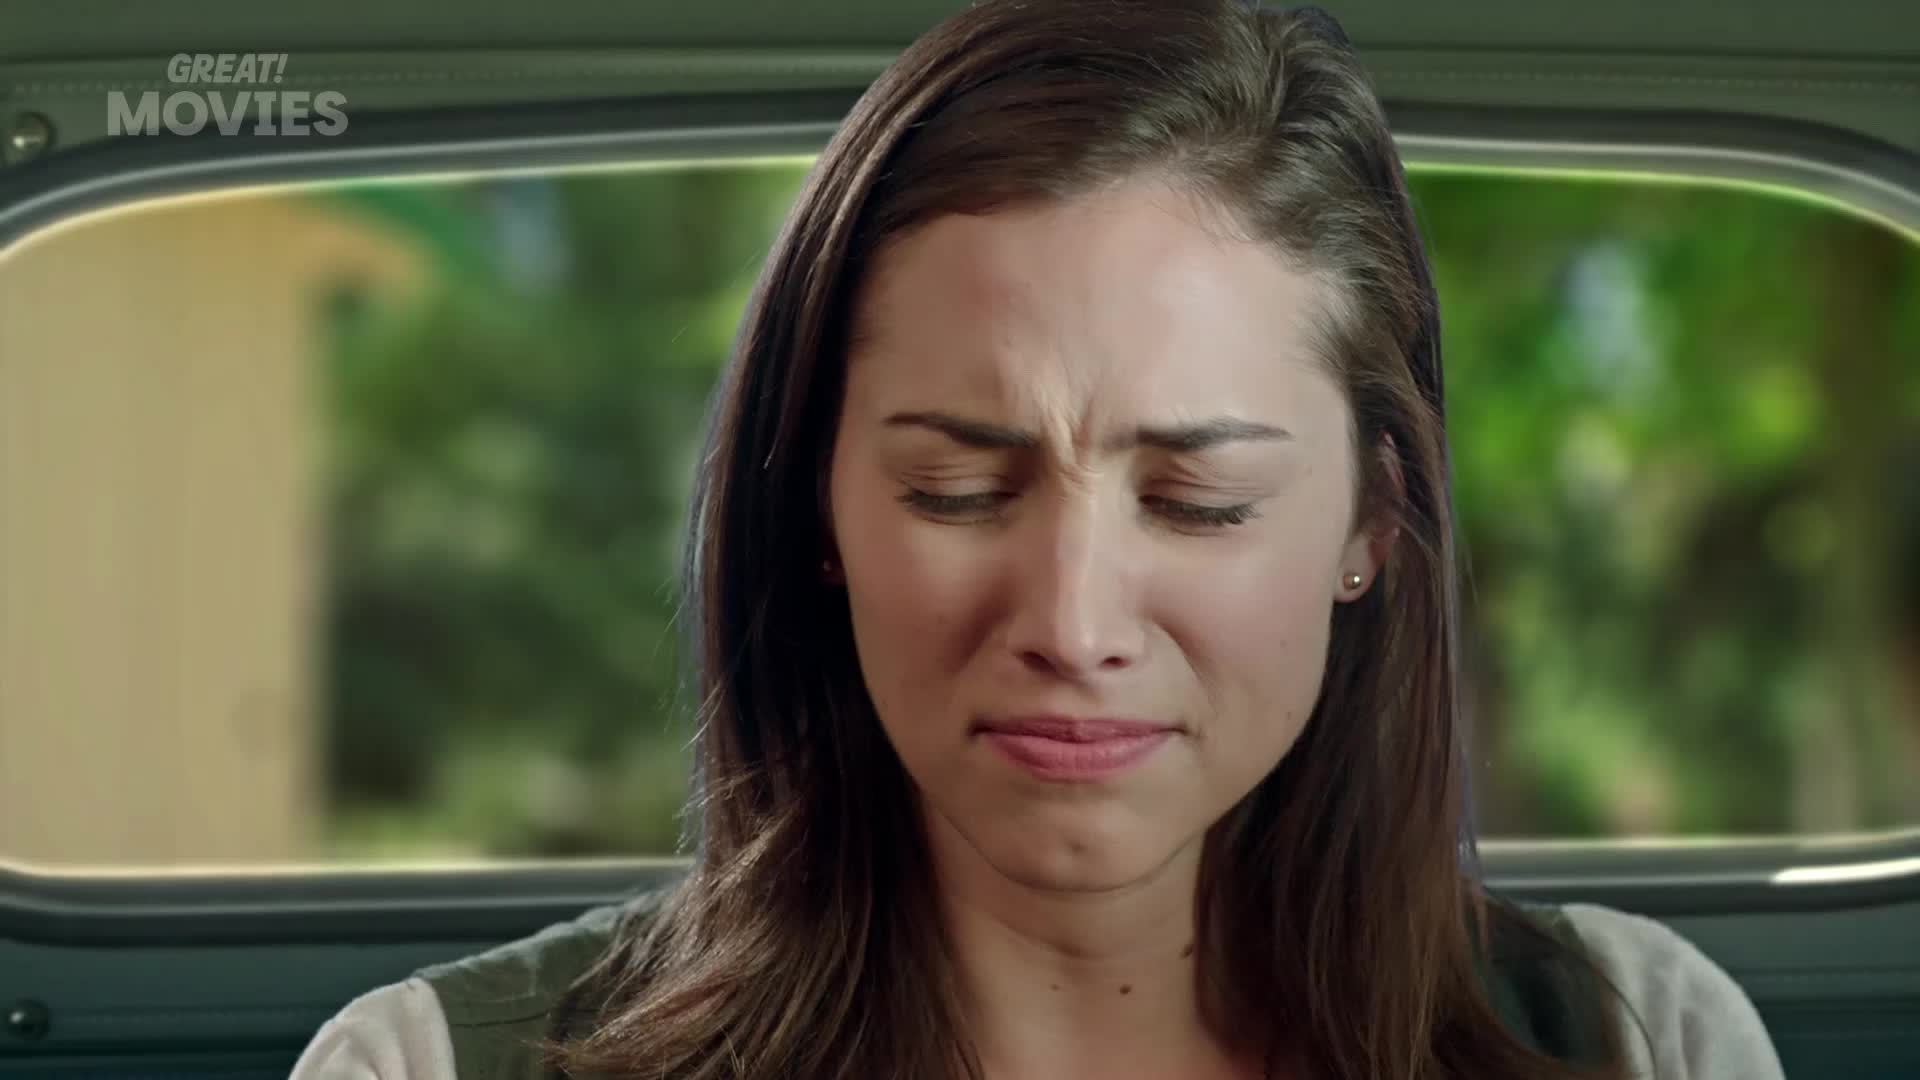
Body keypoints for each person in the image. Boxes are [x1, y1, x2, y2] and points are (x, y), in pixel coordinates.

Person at [291, 1, 1787, 1077]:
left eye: (1198, 504)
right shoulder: (422, 1067)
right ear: (815, 503)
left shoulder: (1646, 1039)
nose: (1074, 623)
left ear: (1372, 524)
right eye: (956, 489)